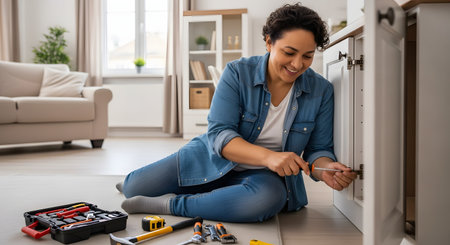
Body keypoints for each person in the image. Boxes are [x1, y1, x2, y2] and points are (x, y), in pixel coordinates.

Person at [117, 3, 357, 223]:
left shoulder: (321, 90)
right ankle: (209, 193)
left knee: (265, 200)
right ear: (269, 42)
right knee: (133, 187)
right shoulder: (238, 72)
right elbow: (220, 135)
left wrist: (326, 170)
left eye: (307, 56)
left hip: (263, 177)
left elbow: (318, 150)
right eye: (289, 52)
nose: (297, 64)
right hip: (210, 158)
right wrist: (269, 157)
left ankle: (173, 204)